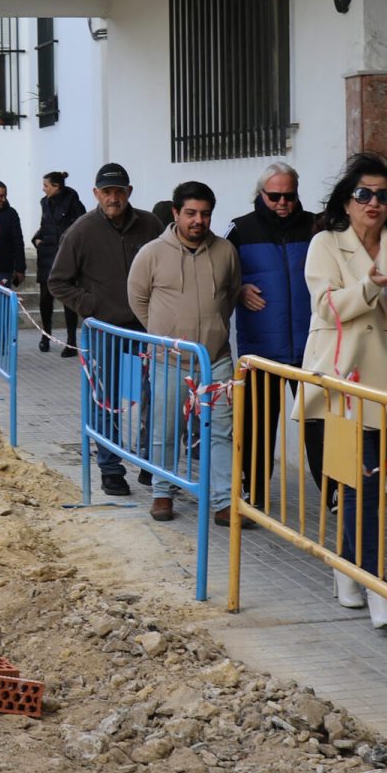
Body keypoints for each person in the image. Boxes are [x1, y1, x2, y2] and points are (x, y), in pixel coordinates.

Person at [297, 152, 387, 630]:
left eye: (382, 195)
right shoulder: (326, 243)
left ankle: (345, 569)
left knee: (367, 483)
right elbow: (325, 309)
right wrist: (370, 285)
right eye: (363, 194)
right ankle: (376, 584)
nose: (373, 203)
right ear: (347, 201)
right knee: (361, 484)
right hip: (341, 380)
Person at [128, 180, 240, 524]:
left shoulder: (225, 252)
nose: (198, 221)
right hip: (168, 361)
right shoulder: (151, 253)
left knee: (222, 430)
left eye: (205, 214)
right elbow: (138, 299)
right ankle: (162, 493)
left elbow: (230, 295)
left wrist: (214, 332)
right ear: (175, 213)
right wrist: (166, 336)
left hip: (216, 360)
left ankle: (224, 501)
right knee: (166, 429)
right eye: (191, 213)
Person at [49, 162, 164, 497]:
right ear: (96, 194)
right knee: (107, 401)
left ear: (129, 192)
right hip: (105, 334)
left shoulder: (151, 225)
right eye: (107, 192)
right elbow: (58, 282)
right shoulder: (82, 231)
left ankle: (148, 462)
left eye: (119, 191)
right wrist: (92, 307)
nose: (114, 198)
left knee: (153, 397)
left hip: (146, 331)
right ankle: (111, 469)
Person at [230, 162, 324, 510]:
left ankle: (331, 493)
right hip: (261, 348)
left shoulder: (316, 227)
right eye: (275, 197)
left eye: (289, 195)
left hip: (311, 346)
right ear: (261, 194)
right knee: (258, 427)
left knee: (320, 425)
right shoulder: (240, 229)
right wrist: (238, 288)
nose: (283, 203)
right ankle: (253, 494)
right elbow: (221, 274)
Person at [34, 170, 86, 355]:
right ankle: (45, 336)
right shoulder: (44, 202)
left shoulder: (73, 201)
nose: (43, 189)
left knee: (67, 300)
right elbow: (44, 224)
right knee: (45, 299)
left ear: (56, 186)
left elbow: (81, 226)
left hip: (65, 255)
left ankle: (71, 341)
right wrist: (37, 239)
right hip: (46, 254)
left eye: (46, 185)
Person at [0, 180, 26, 290]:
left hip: (3, 267)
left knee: (1, 302)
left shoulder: (11, 214)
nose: (3, 199)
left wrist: (20, 268)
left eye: (5, 196)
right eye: (0, 196)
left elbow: (18, 242)